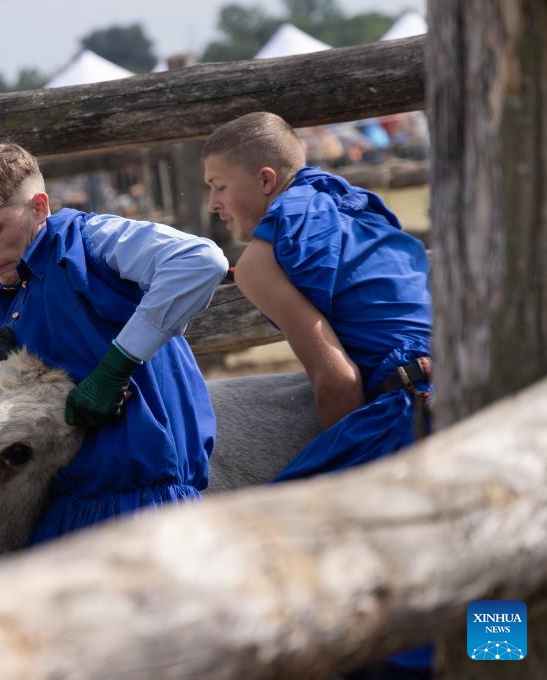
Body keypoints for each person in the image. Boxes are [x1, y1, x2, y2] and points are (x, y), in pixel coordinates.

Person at [202, 112, 433, 678]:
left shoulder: (260, 260)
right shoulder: (353, 202)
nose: (213, 203)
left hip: (409, 408)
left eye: (218, 186)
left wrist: (341, 484)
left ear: (263, 179)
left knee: (293, 556)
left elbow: (336, 380)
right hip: (470, 384)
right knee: (478, 562)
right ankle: (501, 661)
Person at [0, 142, 229, 544]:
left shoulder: (90, 241)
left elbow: (200, 261)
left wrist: (115, 366)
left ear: (38, 207)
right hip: (63, 512)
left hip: (149, 505)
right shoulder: (7, 299)